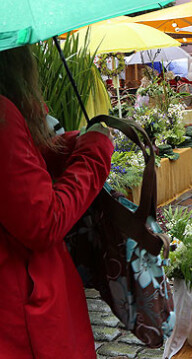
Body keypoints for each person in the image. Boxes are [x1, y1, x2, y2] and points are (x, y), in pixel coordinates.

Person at [0, 45, 114, 358]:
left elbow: (13, 181)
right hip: (20, 313)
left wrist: (57, 148)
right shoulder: (1, 113)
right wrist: (94, 152)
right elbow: (43, 222)